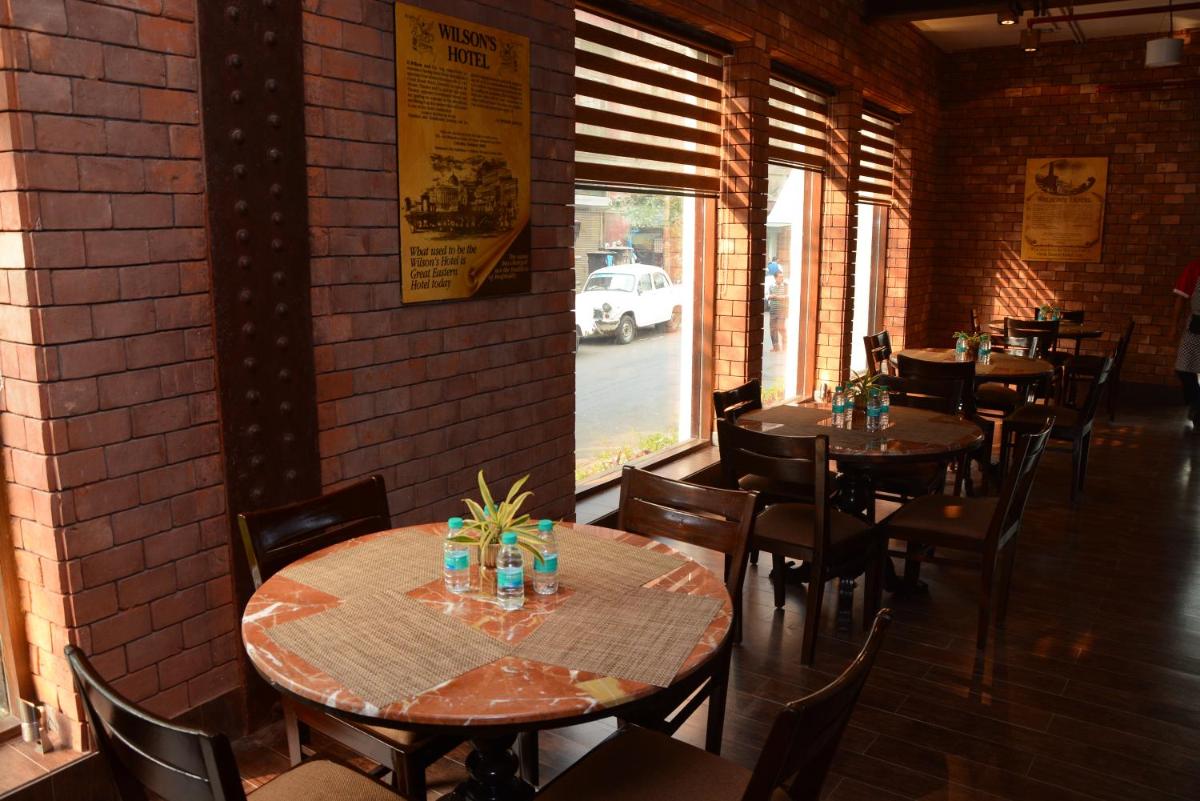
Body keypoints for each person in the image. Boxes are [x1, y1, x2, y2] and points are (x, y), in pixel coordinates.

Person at [1171, 256, 1200, 424]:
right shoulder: (1194, 267)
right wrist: (1173, 326)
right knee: (1182, 368)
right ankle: (1197, 403)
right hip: (1195, 324)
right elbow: (1180, 299)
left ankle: (1198, 412)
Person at [768, 270, 788, 352]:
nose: (781, 278)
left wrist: (776, 296)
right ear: (775, 278)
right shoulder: (771, 286)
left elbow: (787, 296)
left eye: (782, 277)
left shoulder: (786, 286)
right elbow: (767, 296)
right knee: (773, 329)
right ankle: (776, 347)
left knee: (780, 327)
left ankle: (785, 345)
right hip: (773, 310)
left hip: (782, 310)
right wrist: (771, 296)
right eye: (780, 277)